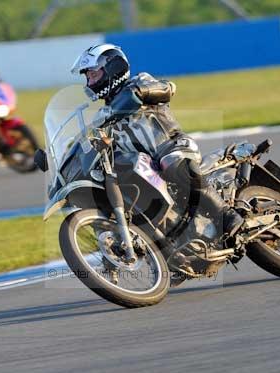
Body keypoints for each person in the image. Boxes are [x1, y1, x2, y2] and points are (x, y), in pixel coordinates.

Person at [71, 43, 244, 236]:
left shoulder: (139, 82)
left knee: (171, 163)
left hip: (171, 145)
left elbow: (168, 88)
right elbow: (91, 141)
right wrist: (65, 154)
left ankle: (226, 215)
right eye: (88, 77)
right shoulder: (103, 115)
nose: (90, 82)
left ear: (113, 68)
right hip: (145, 167)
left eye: (93, 74)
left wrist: (139, 92)